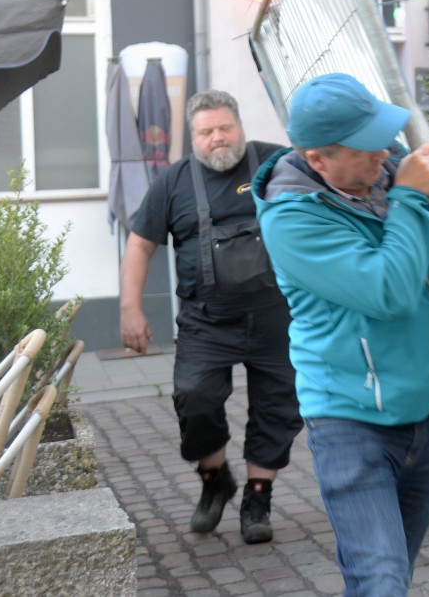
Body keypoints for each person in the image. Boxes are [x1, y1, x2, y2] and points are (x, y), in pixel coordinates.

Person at [253, 72, 429, 597]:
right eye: (364, 146)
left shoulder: (387, 169)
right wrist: (412, 200)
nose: (382, 151)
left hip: (427, 414)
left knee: (388, 575)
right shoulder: (292, 220)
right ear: (317, 160)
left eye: (381, 135)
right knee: (381, 580)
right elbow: (390, 291)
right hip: (351, 425)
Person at [120, 89, 302, 544]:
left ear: (239, 125)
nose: (217, 138)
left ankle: (258, 499)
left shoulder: (277, 163)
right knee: (194, 398)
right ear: (193, 137)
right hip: (206, 322)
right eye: (206, 132)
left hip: (275, 316)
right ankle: (215, 480)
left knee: (277, 410)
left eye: (225, 128)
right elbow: (140, 245)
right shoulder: (173, 181)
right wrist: (130, 309)